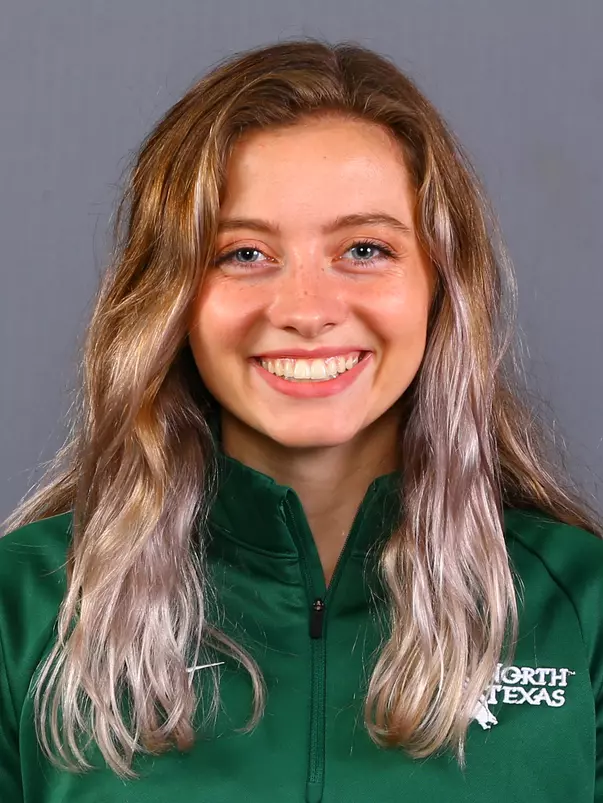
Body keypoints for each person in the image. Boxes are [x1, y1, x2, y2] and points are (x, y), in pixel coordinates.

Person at [1, 39, 602, 803]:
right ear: (170, 296)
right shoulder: (23, 606)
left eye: (363, 248)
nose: (306, 311)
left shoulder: (581, 607)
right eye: (244, 253)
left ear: (441, 285)